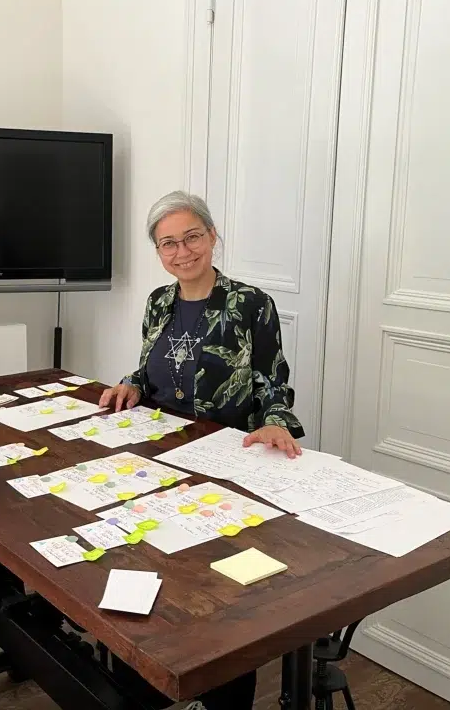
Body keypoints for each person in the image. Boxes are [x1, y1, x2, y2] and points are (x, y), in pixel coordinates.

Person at [100, 190, 306, 710]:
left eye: (192, 236)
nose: (182, 251)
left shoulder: (251, 304)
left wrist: (277, 420)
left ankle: (222, 693)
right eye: (168, 243)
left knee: (224, 589)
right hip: (157, 454)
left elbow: (272, 381)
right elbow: (150, 370)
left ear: (213, 236)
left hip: (225, 459)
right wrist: (128, 384)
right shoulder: (158, 302)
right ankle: (155, 677)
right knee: (157, 567)